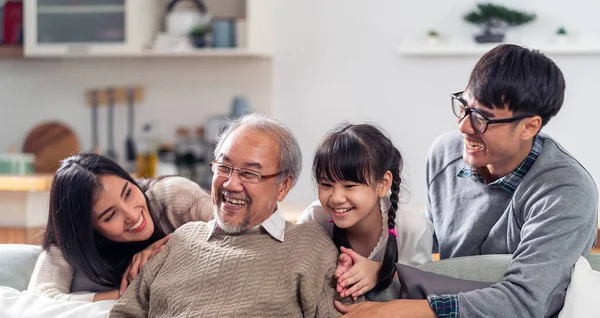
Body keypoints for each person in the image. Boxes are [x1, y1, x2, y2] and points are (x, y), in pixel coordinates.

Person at [335, 44, 598, 317]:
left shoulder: (565, 192)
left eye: (483, 118)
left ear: (529, 126)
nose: (463, 126)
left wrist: (399, 311)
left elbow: (524, 302)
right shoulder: (445, 154)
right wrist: (380, 269)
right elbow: (432, 252)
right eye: (464, 107)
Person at [109, 113, 353, 317]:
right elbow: (124, 313)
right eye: (224, 167)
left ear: (284, 186)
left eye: (250, 173)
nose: (231, 183)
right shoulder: (181, 240)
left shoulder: (309, 247)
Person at [27, 153, 213, 302]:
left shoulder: (173, 195)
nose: (132, 215)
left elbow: (236, 235)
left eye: (128, 193)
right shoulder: (69, 242)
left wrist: (165, 251)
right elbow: (40, 298)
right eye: (110, 215)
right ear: (88, 230)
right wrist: (128, 294)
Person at [297, 123, 433, 300]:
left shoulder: (412, 227)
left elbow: (425, 295)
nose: (337, 198)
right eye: (326, 185)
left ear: (383, 184)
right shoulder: (314, 220)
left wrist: (381, 272)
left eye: (350, 186)